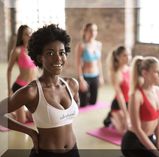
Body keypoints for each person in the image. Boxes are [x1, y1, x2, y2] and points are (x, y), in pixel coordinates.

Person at [0, 24, 80, 157]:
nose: (58, 58)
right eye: (50, 53)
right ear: (39, 58)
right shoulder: (32, 92)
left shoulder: (72, 84)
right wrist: (30, 132)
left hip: (73, 151)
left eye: (62, 52)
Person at [121, 56, 159, 157]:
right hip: (133, 142)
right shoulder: (136, 96)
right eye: (156, 72)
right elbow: (136, 128)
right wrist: (155, 152)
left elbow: (158, 121)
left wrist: (158, 146)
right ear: (145, 73)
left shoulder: (158, 91)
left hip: (149, 139)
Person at [7, 25, 38, 123]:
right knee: (21, 121)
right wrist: (9, 89)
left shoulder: (34, 50)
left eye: (30, 33)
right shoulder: (17, 51)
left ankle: (20, 112)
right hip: (19, 88)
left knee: (34, 119)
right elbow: (9, 70)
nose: (29, 36)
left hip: (32, 88)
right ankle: (11, 114)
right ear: (21, 36)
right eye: (26, 34)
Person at [103, 46, 131, 134]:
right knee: (124, 131)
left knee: (133, 128)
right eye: (124, 55)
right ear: (118, 57)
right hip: (119, 104)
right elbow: (120, 96)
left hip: (130, 103)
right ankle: (111, 117)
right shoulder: (115, 74)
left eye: (129, 55)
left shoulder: (130, 70)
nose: (128, 57)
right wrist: (126, 115)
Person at [76, 23, 104, 107]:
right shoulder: (81, 46)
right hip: (85, 77)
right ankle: (76, 95)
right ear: (85, 32)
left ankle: (83, 95)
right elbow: (78, 64)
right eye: (91, 30)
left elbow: (99, 62)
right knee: (83, 104)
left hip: (95, 76)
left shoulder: (98, 44)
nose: (93, 32)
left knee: (93, 102)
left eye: (95, 30)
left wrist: (101, 77)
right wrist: (81, 80)